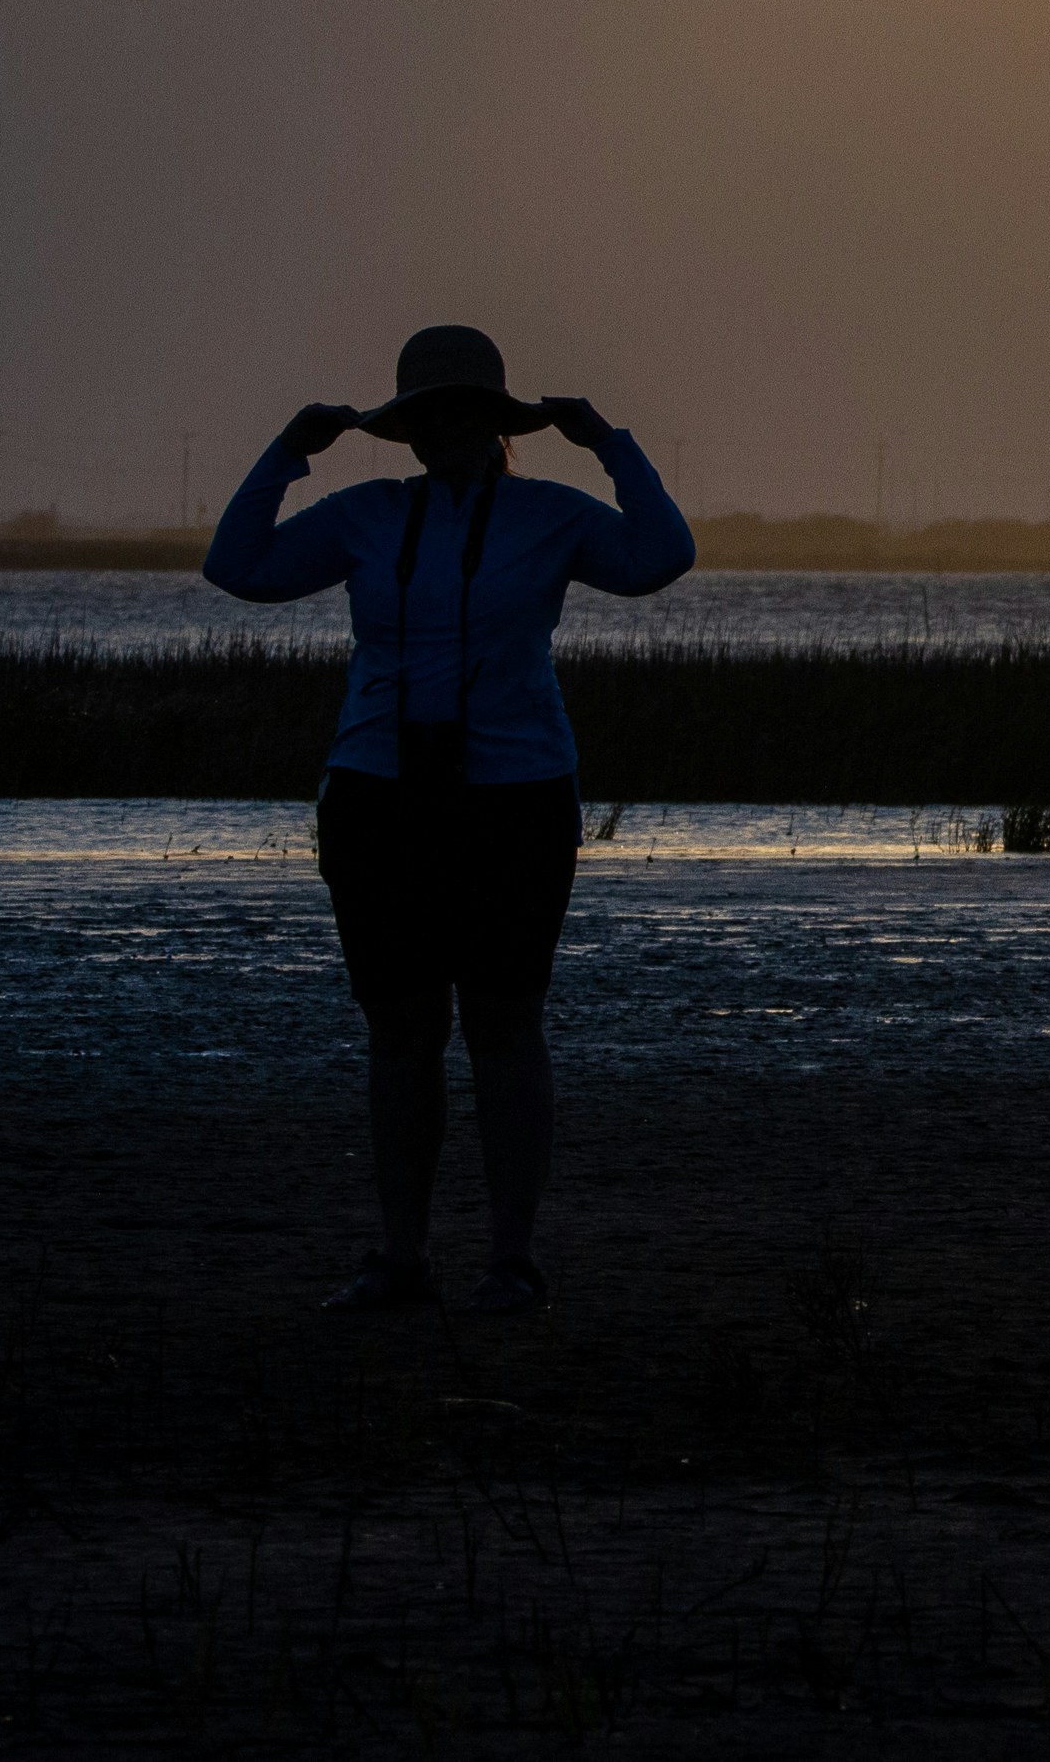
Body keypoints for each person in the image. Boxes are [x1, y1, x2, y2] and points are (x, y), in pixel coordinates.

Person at [205, 324, 695, 1312]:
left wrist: (609, 443)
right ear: (408, 427)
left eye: (465, 410)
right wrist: (287, 453)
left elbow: (660, 554)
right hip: (378, 791)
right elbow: (238, 565)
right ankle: (400, 1256)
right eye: (429, 413)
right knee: (401, 1027)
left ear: (496, 423)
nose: (447, 428)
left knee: (506, 1022)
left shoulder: (552, 515)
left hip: (515, 793)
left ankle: (510, 1257)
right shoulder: (365, 516)